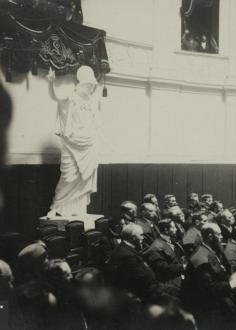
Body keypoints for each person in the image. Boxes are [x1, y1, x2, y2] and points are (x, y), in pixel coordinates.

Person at [46, 65, 101, 217]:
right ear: (82, 83)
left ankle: (78, 208)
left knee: (84, 177)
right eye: (89, 84)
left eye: (92, 85)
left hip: (88, 143)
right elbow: (55, 98)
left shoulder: (93, 102)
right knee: (68, 176)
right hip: (71, 141)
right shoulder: (72, 98)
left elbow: (95, 123)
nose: (91, 87)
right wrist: (51, 83)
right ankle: (57, 206)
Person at [183, 223, 236, 319]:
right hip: (209, 306)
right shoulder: (201, 258)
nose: (222, 237)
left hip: (219, 294)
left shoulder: (211, 250)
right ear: (210, 236)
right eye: (219, 234)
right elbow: (208, 288)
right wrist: (230, 284)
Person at [105, 223, 161, 302]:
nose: (143, 238)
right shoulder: (127, 255)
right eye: (141, 235)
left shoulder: (125, 248)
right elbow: (143, 279)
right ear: (133, 238)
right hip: (140, 295)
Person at [144, 219, 186, 297]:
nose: (176, 229)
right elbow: (164, 269)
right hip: (171, 283)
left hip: (179, 277)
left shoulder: (171, 240)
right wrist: (183, 267)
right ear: (166, 230)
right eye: (173, 228)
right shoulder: (156, 247)